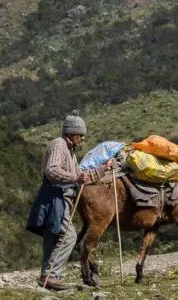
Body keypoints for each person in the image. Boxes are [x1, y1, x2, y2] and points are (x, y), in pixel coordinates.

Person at [26, 109, 115, 291]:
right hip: (55, 198)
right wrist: (75, 178)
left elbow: (81, 176)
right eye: (80, 135)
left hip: (57, 198)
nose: (83, 139)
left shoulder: (70, 150)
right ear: (71, 133)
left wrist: (104, 168)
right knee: (69, 236)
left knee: (53, 237)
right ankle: (51, 276)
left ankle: (46, 279)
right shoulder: (59, 145)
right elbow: (52, 170)